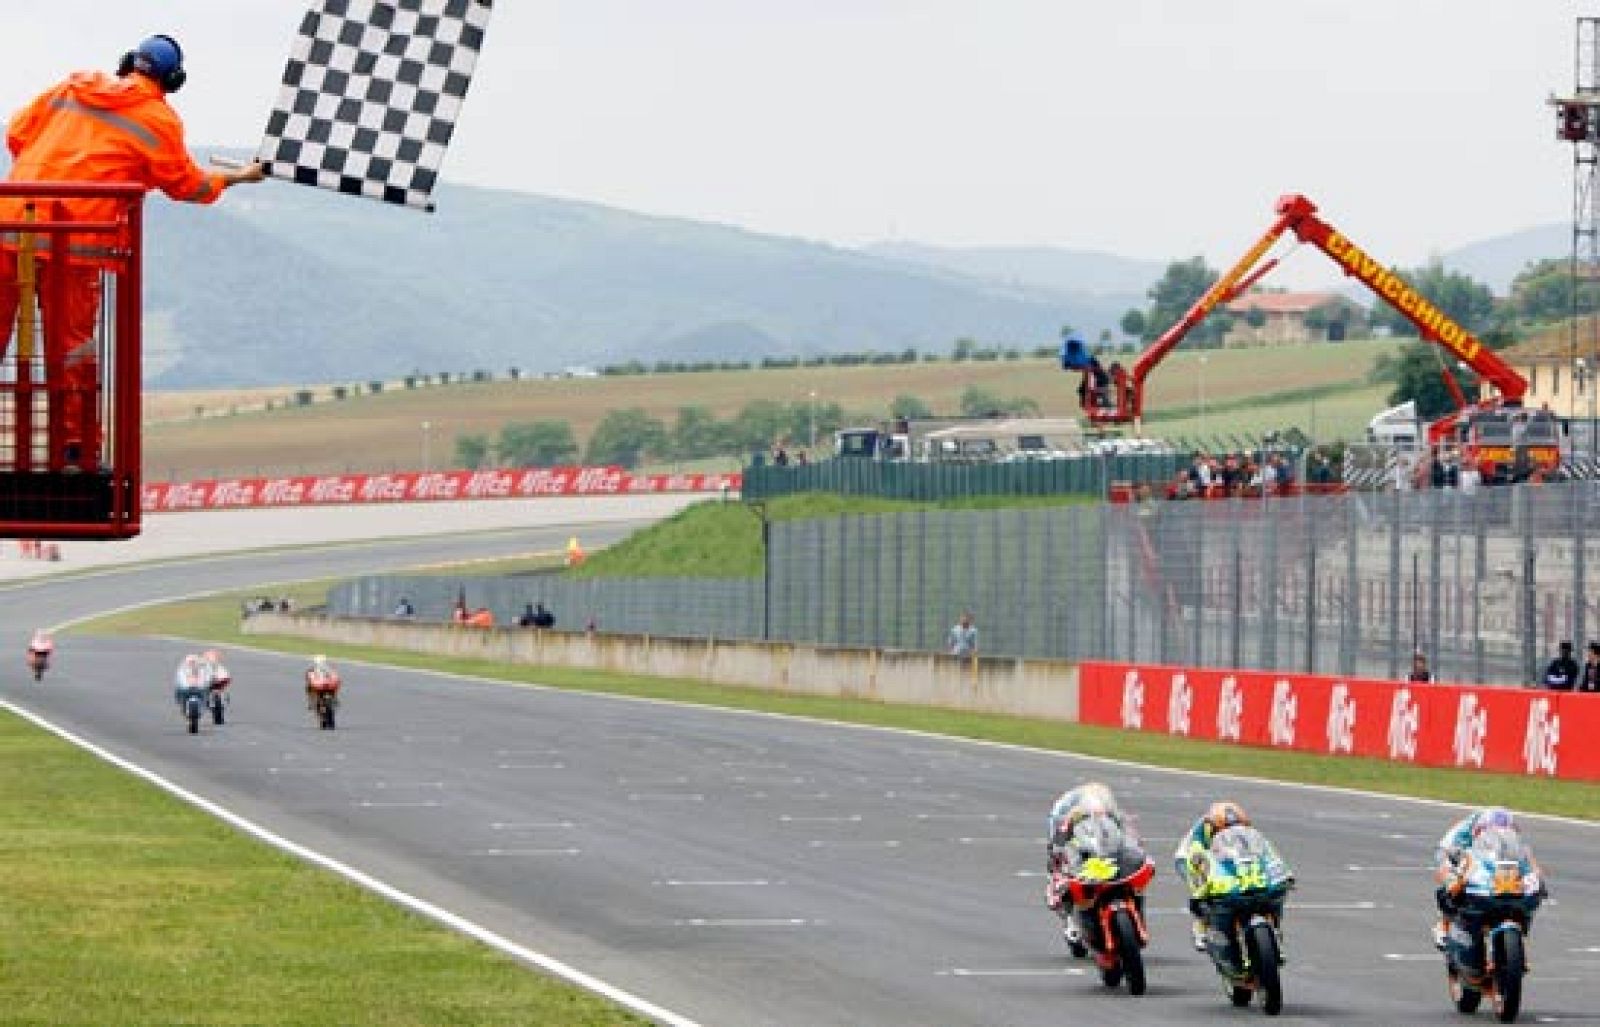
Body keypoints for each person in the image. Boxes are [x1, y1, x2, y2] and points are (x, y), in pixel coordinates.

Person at [0, 35, 265, 468]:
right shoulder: (158, 120)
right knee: (72, 350)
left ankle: (73, 447)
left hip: (11, 222)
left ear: (127, 62)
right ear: (174, 79)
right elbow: (188, 186)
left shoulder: (73, 86)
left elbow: (17, 133)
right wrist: (237, 177)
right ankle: (74, 451)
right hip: (75, 242)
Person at [1431, 808, 1546, 958]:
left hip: (1490, 860)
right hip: (1451, 849)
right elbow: (1445, 856)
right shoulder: (1464, 831)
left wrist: (1536, 877)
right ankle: (1443, 924)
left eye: (1507, 829)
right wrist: (1451, 870)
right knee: (1451, 881)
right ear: (1480, 828)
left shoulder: (1509, 833)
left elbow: (1525, 857)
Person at [1044, 782, 1128, 953]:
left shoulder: (1113, 817)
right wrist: (1061, 853)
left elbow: (1128, 837)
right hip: (1078, 862)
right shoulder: (1067, 819)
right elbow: (1057, 847)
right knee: (1060, 883)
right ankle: (1070, 922)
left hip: (1106, 859)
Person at [1174, 800, 1253, 954]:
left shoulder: (1242, 825)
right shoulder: (1203, 829)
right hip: (1188, 857)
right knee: (1204, 888)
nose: (1231, 832)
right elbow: (1198, 854)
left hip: (1221, 853)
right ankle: (1200, 927)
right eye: (1225, 829)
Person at [172, 652, 210, 717]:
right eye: (191, 662)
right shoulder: (183, 670)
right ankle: (182, 706)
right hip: (186, 689)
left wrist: (206, 683)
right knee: (178, 691)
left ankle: (204, 705)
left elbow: (207, 678)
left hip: (199, 689)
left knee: (208, 693)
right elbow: (179, 679)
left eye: (194, 662)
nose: (193, 664)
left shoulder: (203, 670)